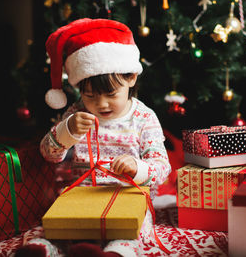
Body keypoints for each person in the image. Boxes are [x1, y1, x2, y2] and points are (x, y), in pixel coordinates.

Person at [37, 18, 171, 257]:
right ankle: (44, 250)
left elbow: (162, 167)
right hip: (84, 195)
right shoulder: (77, 113)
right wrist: (67, 132)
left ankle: (115, 253)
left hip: (129, 197)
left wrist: (138, 168)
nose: (101, 104)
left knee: (135, 230)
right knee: (60, 227)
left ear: (130, 78)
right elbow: (48, 154)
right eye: (90, 95)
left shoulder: (143, 118)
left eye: (110, 94)